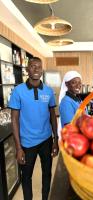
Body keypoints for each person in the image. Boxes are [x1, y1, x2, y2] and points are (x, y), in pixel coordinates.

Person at [8, 57, 59, 200]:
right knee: (26, 178)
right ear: (27, 69)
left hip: (46, 140)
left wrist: (56, 140)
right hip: (27, 143)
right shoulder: (18, 91)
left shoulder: (48, 91)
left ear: (42, 70)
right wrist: (18, 148)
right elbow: (14, 120)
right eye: (32, 66)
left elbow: (53, 116)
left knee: (47, 173)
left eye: (39, 66)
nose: (36, 69)